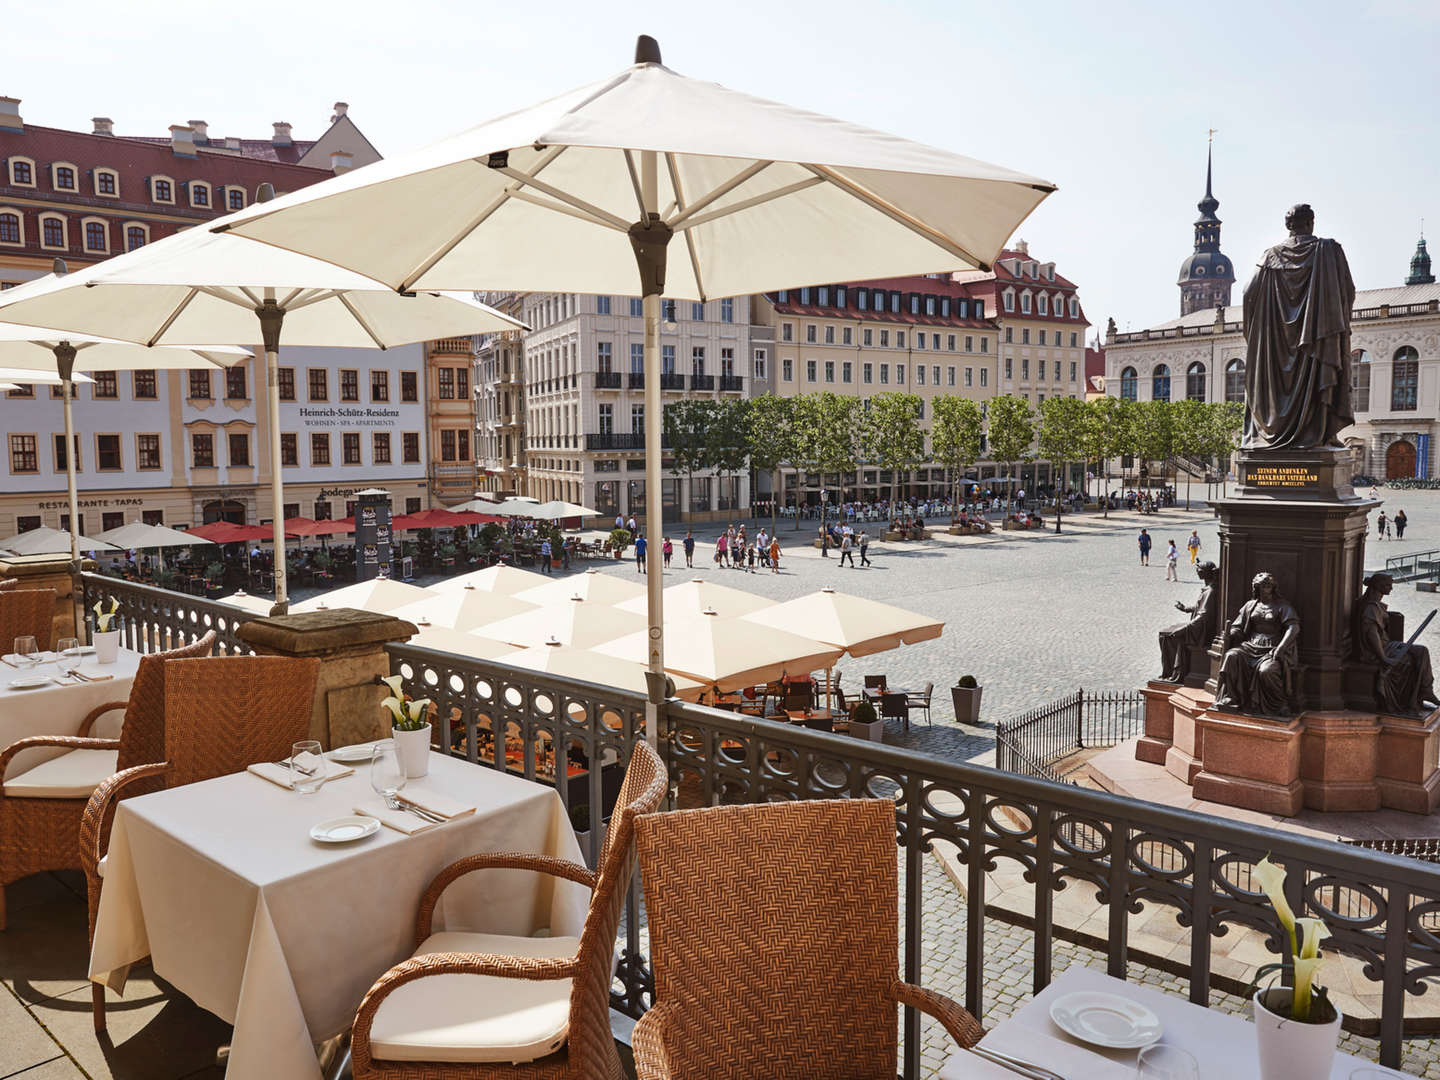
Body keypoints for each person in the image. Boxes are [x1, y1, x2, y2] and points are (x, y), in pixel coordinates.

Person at [1214, 572, 1301, 716]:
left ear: (1273, 587)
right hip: (1250, 646)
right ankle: (1231, 697)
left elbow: (1294, 627)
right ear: (1256, 587)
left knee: (1266, 671)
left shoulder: (1282, 606)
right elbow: (1238, 627)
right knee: (1231, 656)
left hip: (1272, 648)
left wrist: (1281, 648)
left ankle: (1279, 704)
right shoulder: (1250, 605)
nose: (1266, 589)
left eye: (1269, 586)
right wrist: (1231, 633)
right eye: (1262, 586)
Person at [1356, 572, 1438, 715]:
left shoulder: (1376, 605)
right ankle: (1423, 693)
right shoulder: (1372, 608)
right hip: (1379, 651)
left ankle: (1426, 691)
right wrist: (1383, 658)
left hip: (1387, 645)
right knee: (1418, 654)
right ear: (1379, 586)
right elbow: (1372, 635)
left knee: (1421, 652)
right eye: (1388, 585)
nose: (1392, 588)